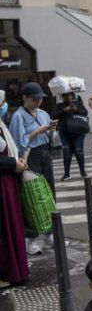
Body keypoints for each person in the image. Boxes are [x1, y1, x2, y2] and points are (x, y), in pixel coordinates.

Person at [10, 82, 56, 256]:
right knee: (32, 197)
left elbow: (53, 139)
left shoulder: (44, 114)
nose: (38, 102)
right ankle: (32, 238)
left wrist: (51, 130)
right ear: (25, 98)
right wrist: (37, 131)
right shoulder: (18, 117)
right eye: (34, 99)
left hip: (45, 153)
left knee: (49, 193)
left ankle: (51, 233)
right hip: (30, 156)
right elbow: (19, 142)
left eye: (40, 99)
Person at [0, 90, 28, 289]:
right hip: (2, 183)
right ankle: (5, 272)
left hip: (7, 182)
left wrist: (15, 161)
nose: (3, 106)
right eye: (2, 102)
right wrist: (12, 164)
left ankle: (16, 271)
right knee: (4, 230)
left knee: (12, 226)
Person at [53, 91, 89, 181]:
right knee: (66, 153)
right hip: (64, 133)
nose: (68, 97)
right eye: (66, 95)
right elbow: (53, 115)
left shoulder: (77, 103)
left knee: (78, 151)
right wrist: (64, 110)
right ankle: (66, 174)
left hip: (78, 132)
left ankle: (83, 172)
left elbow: (85, 112)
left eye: (70, 95)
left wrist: (76, 109)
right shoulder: (60, 105)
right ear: (63, 97)